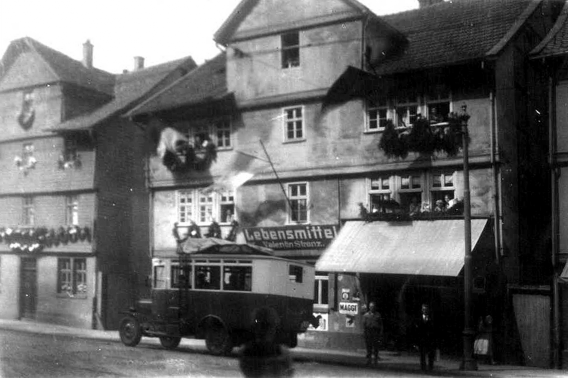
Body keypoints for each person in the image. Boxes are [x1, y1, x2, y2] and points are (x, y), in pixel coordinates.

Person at [240, 307, 293, 377]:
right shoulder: (283, 353)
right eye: (262, 325)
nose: (265, 330)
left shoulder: (245, 352)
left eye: (268, 325)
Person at [414, 303, 437, 371]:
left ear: (428, 310)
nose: (424, 310)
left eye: (426, 309)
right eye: (423, 309)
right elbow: (417, 331)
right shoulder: (419, 318)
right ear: (422, 310)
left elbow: (434, 329)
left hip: (430, 339)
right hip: (422, 339)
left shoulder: (432, 318)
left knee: (431, 355)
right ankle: (423, 367)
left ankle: (430, 367)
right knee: (422, 355)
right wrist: (416, 342)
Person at [363, 301, 383, 366]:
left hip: (375, 332)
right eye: (371, 307)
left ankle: (375, 361)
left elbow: (381, 324)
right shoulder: (366, 315)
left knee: (375, 347)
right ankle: (369, 360)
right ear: (369, 307)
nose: (372, 308)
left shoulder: (378, 315)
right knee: (369, 347)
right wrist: (364, 333)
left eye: (373, 307)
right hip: (368, 332)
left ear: (375, 307)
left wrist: (380, 333)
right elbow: (364, 325)